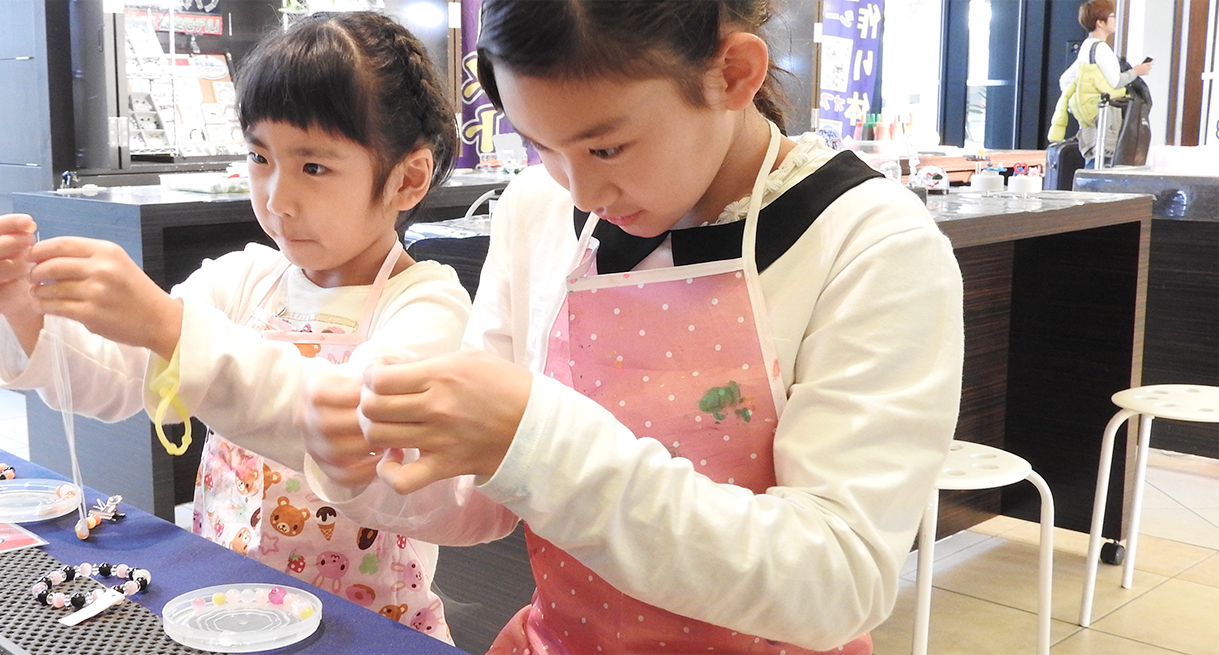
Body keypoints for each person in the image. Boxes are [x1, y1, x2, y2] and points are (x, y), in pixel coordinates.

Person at [300, 1, 964, 653]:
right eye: (540, 146)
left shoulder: (871, 244)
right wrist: (372, 468)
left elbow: (837, 580)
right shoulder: (539, 207)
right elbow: (485, 495)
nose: (581, 191)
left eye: (607, 146)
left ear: (734, 73)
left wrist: (538, 445)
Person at [0, 11, 468, 641]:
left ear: (407, 178)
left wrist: (169, 325)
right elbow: (114, 379)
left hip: (369, 625)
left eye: (313, 167)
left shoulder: (424, 305)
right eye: (259, 157)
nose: (277, 198)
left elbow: (355, 428)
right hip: (229, 604)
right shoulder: (244, 279)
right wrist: (21, 307)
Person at [1049, 0, 1153, 168]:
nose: (1115, 20)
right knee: (1103, 165)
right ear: (1100, 22)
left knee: (1093, 160)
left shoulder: (1087, 46)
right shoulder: (1103, 50)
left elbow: (1066, 79)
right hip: (1105, 118)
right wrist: (1137, 71)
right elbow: (1116, 81)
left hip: (1090, 119)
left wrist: (1078, 104)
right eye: (1111, 16)